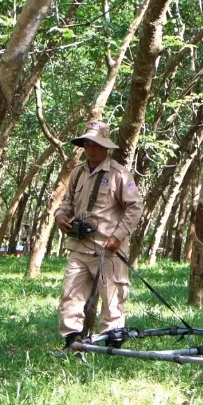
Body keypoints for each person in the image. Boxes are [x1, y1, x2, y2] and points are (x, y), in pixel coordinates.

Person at [54, 121, 143, 350]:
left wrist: (118, 235)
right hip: (79, 246)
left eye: (95, 144)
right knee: (71, 295)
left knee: (112, 298)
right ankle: (72, 340)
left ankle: (112, 343)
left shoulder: (120, 174)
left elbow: (135, 207)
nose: (90, 149)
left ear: (105, 147)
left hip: (108, 249)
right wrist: (61, 216)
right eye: (86, 144)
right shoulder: (77, 172)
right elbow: (67, 203)